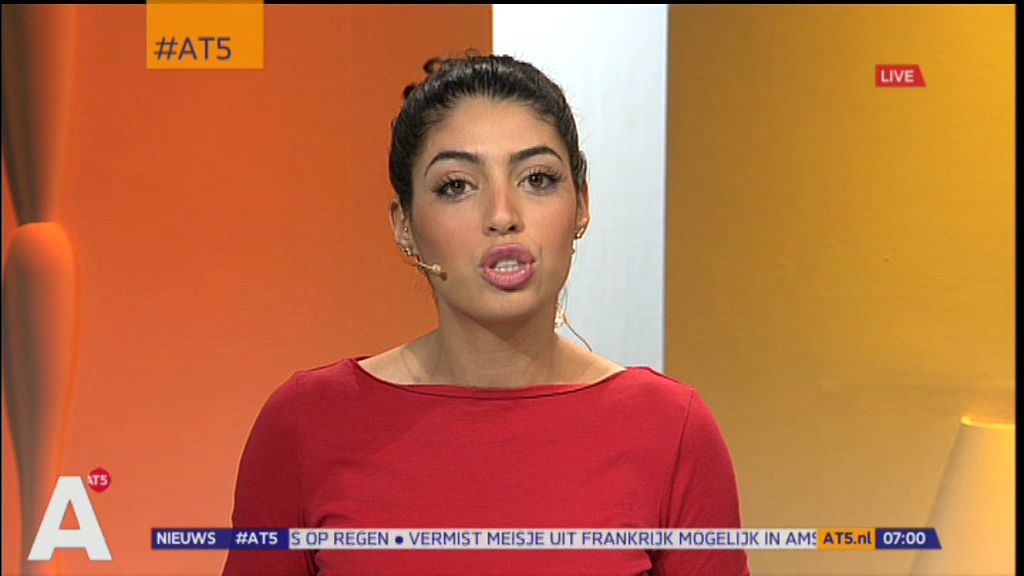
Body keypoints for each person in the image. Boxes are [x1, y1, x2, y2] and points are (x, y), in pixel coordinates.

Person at [223, 53, 750, 576]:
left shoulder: (670, 429)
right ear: (404, 224)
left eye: (536, 179)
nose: (502, 216)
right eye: (457, 185)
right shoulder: (307, 423)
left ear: (582, 205)